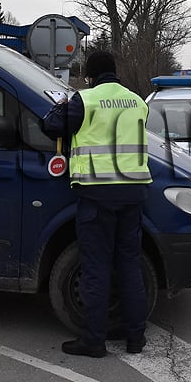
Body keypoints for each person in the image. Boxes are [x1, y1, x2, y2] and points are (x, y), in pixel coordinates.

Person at [41, 50, 152, 358]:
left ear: (90, 75)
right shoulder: (137, 101)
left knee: (96, 267)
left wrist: (61, 106)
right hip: (133, 192)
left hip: (98, 193)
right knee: (129, 264)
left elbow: (50, 126)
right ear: (115, 72)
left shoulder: (84, 100)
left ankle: (94, 341)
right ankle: (135, 338)